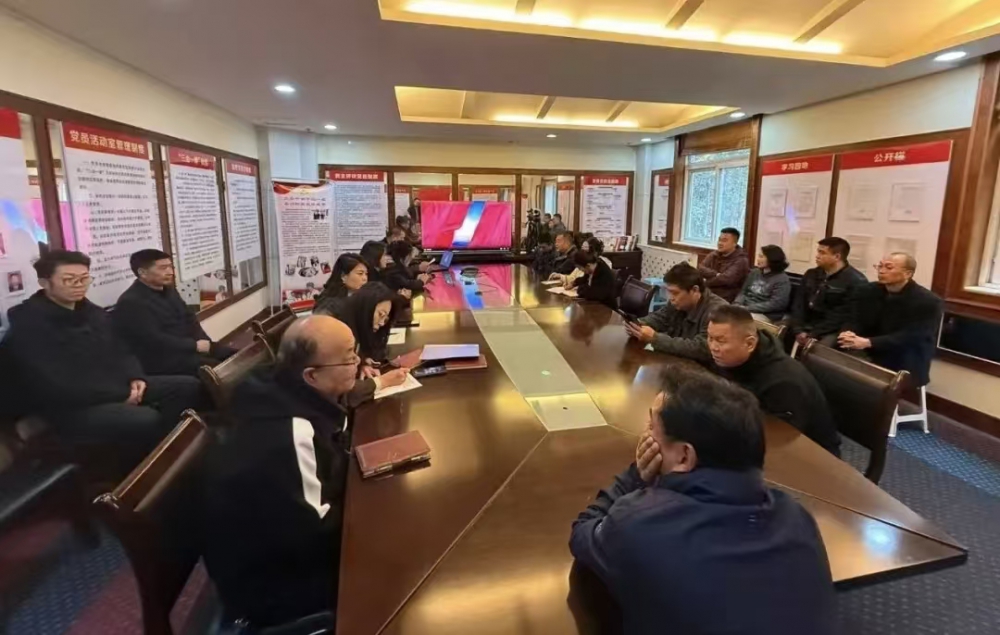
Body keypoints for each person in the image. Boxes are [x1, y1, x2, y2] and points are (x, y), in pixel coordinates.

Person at [569, 370, 836, 635]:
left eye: (651, 426)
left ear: (684, 456)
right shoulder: (799, 517)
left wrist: (636, 477)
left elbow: (583, 532)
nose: (645, 434)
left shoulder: (639, 525)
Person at [204, 316, 357, 628]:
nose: (357, 362)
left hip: (286, 551)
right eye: (349, 358)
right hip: (275, 585)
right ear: (311, 375)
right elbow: (315, 533)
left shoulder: (284, 394)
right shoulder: (290, 430)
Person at [5, 250, 204, 476]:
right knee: (145, 418)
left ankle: (167, 453)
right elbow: (58, 384)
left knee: (185, 386)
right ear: (44, 282)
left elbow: (122, 350)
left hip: (114, 386)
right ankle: (138, 473)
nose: (79, 285)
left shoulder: (92, 312)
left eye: (84, 278)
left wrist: (135, 376)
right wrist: (119, 394)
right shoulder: (29, 326)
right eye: (69, 280)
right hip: (71, 406)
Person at [706, 305, 841, 455]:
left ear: (749, 344)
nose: (713, 347)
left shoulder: (784, 382)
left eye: (721, 341)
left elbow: (779, 439)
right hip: (757, 432)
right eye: (710, 338)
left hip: (811, 455)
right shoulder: (731, 359)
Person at [113, 249, 236, 377]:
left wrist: (204, 341)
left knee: (236, 356)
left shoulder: (169, 290)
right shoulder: (131, 302)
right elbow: (154, 339)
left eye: (171, 267)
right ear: (142, 273)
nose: (170, 272)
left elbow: (190, 318)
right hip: (165, 359)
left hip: (189, 347)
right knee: (222, 372)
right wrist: (194, 346)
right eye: (163, 268)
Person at [838, 253, 942, 387]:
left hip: (903, 354)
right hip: (868, 346)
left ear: (907, 274)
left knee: (863, 377)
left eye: (888, 267)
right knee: (832, 358)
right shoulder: (867, 290)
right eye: (880, 266)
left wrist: (869, 342)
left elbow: (913, 336)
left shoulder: (928, 301)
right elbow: (854, 318)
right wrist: (848, 332)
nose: (881, 271)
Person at [316, 282, 410, 405]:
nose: (382, 323)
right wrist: (382, 382)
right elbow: (341, 394)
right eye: (380, 315)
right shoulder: (335, 332)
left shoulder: (354, 324)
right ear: (365, 309)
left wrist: (362, 365)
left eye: (386, 318)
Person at [625, 263, 727, 362]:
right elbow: (660, 318)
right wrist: (639, 324)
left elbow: (702, 349)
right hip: (676, 361)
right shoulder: (677, 302)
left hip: (702, 368)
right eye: (669, 292)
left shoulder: (717, 311)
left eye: (675, 293)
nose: (671, 298)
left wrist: (655, 339)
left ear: (694, 290)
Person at [790, 237, 868, 347]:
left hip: (832, 329)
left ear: (837, 257)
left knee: (823, 346)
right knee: (776, 331)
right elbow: (799, 304)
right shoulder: (812, 274)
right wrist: (798, 329)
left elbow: (842, 315)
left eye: (822, 253)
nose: (817, 256)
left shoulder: (855, 281)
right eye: (818, 251)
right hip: (807, 323)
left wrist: (814, 333)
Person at [734, 244, 791, 324]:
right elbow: (743, 292)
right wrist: (737, 303)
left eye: (761, 257)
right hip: (745, 308)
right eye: (758, 256)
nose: (758, 259)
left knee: (739, 320)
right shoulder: (754, 272)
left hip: (765, 314)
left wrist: (747, 308)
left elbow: (777, 304)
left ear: (772, 259)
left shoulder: (782, 279)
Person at [698, 227, 750, 302]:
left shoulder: (741, 260)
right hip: (708, 292)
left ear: (734, 243)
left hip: (726, 297)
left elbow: (726, 279)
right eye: (719, 240)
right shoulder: (714, 254)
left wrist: (705, 282)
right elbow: (700, 268)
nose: (720, 243)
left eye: (724, 240)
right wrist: (715, 274)